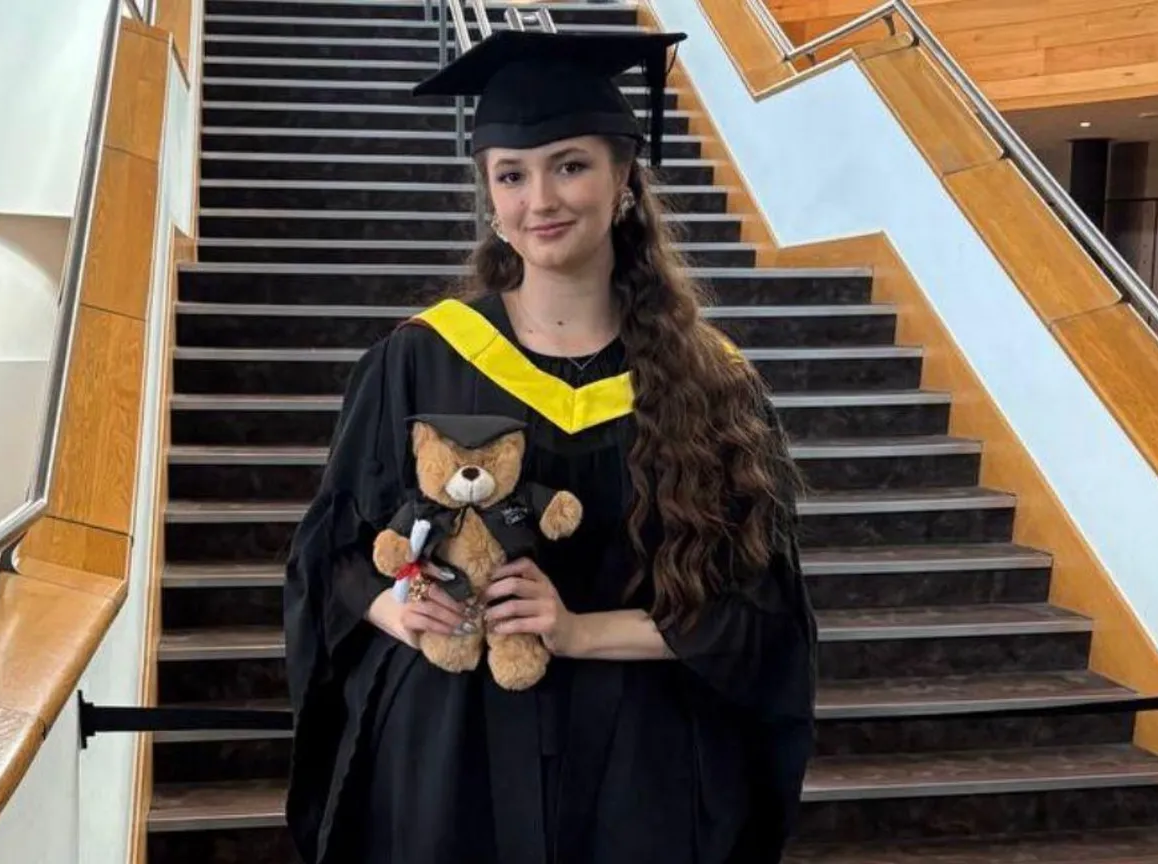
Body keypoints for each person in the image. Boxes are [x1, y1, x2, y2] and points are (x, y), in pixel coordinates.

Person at [282, 28, 817, 864]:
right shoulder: (418, 359)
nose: (540, 199)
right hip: (450, 749)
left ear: (624, 178)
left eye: (570, 166)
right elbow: (335, 553)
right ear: (490, 195)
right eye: (511, 175)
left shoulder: (714, 382)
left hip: (639, 759)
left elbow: (756, 612)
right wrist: (400, 610)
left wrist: (575, 631)